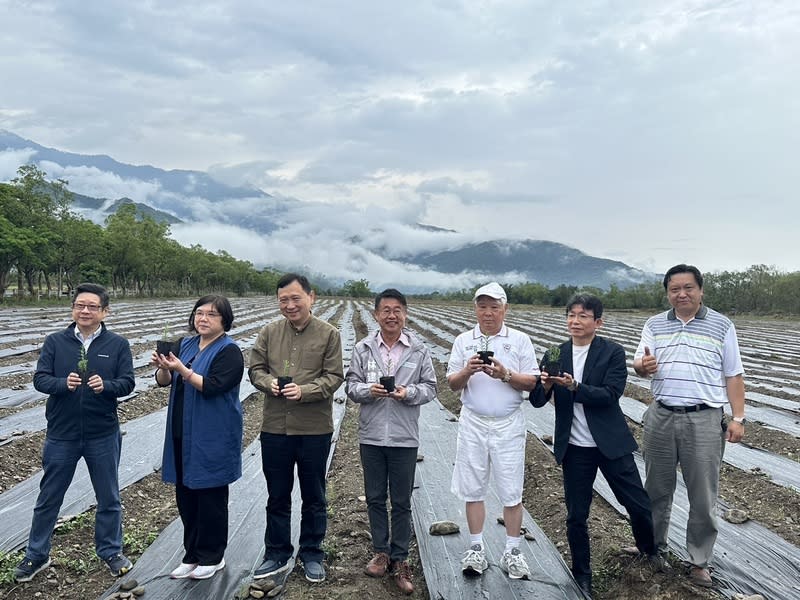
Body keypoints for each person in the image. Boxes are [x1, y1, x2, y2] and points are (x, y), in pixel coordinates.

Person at [530, 294, 658, 599]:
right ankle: (582, 575)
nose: (575, 321)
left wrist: (575, 387)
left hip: (610, 443)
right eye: (571, 315)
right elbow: (536, 400)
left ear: (597, 322)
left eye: (583, 316)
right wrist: (546, 384)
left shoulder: (612, 352)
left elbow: (610, 394)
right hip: (574, 447)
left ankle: (649, 550)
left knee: (637, 504)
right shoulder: (554, 352)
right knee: (576, 515)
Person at [633, 264, 746, 588]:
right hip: (662, 415)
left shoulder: (722, 325)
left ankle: (699, 561)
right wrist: (642, 365)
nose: (681, 294)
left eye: (688, 288)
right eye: (674, 289)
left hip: (704, 418)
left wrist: (738, 418)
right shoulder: (654, 324)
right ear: (667, 293)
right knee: (656, 487)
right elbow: (640, 363)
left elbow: (733, 375)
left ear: (700, 290)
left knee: (703, 493)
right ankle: (652, 546)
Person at [14, 283, 136, 583]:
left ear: (104, 311)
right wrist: (60, 384)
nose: (85, 310)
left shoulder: (117, 345)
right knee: (49, 496)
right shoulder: (55, 342)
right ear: (73, 308)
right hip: (62, 433)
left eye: (92, 306)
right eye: (80, 305)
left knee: (108, 497)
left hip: (102, 433)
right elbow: (40, 379)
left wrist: (106, 387)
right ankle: (37, 554)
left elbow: (128, 382)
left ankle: (110, 550)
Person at [248, 273, 344, 583]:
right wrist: (268, 383)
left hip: (314, 428)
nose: (289, 305)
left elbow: (334, 377)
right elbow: (255, 369)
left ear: (311, 297)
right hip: (275, 427)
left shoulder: (329, 334)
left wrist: (305, 391)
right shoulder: (269, 332)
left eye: (295, 298)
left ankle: (312, 552)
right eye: (283, 300)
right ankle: (276, 551)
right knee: (277, 494)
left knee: (314, 495)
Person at [345, 288, 437, 595]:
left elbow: (430, 388)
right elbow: (351, 386)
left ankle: (400, 559)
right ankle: (380, 552)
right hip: (371, 435)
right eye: (385, 309)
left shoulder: (419, 350)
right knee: (373, 497)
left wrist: (408, 393)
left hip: (403, 437)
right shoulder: (363, 348)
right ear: (376, 315)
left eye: (397, 309)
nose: (391, 315)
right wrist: (367, 391)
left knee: (400, 501)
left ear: (405, 313)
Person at [446, 282, 539, 580]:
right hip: (473, 421)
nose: (488, 312)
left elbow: (533, 382)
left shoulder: (521, 340)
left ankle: (512, 550)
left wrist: (505, 374)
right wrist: (467, 370)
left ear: (505, 309)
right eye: (482, 306)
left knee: (512, 489)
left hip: (508, 423)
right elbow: (452, 383)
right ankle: (476, 548)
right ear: (475, 309)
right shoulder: (464, 341)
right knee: (473, 486)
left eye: (494, 306)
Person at [152, 295, 244, 580]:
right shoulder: (185, 344)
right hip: (182, 430)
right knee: (186, 494)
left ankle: (212, 556)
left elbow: (213, 387)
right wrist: (165, 369)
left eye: (212, 315)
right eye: (199, 313)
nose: (203, 319)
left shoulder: (229, 352)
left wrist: (183, 370)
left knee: (210, 495)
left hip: (212, 433)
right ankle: (191, 554)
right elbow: (163, 381)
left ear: (224, 320)